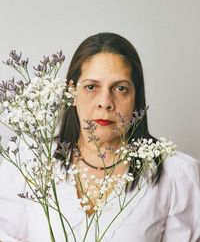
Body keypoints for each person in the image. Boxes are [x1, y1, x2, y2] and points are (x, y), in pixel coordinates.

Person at [0, 32, 200, 242]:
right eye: (91, 87)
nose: (105, 102)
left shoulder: (176, 175)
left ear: (136, 96)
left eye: (120, 88)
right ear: (72, 93)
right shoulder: (29, 161)